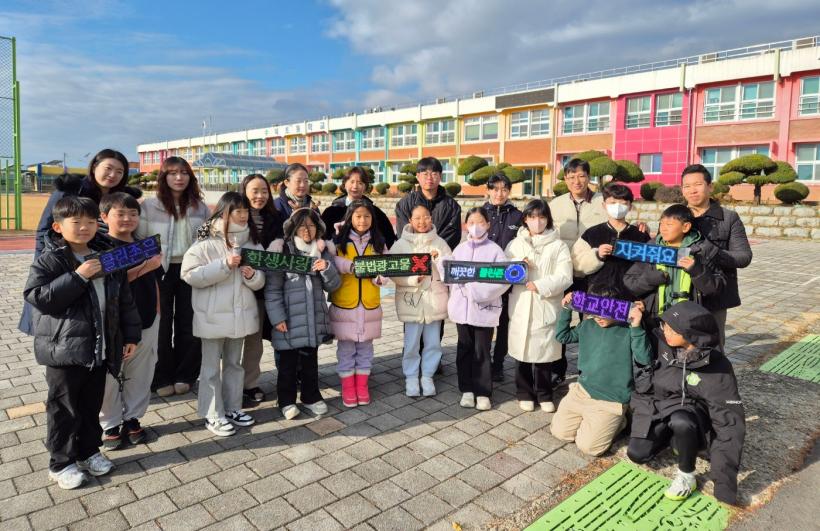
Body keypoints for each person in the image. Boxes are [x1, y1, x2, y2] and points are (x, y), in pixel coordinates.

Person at [23, 196, 141, 489]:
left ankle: (89, 451)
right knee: (64, 408)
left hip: (99, 347)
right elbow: (39, 298)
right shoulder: (50, 259)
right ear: (58, 226)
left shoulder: (107, 255)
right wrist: (78, 276)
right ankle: (61, 463)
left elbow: (123, 299)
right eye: (76, 222)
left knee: (91, 404)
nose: (85, 227)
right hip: (64, 350)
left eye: (90, 221)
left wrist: (130, 335)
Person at [627, 301, 745, 505]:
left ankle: (687, 475)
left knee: (682, 421)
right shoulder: (662, 341)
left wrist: (724, 485)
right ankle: (678, 441)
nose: (665, 331)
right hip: (659, 407)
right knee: (638, 453)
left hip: (690, 412)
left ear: (691, 335)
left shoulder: (718, 367)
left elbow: (729, 422)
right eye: (664, 325)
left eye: (672, 329)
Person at [20, 148, 139, 335]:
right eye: (108, 168)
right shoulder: (70, 190)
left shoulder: (122, 198)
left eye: (119, 171)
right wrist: (50, 258)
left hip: (103, 261)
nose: (113, 175)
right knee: (66, 318)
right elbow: (44, 229)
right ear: (94, 167)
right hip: (67, 259)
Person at [180, 192, 265, 436]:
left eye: (246, 211)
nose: (243, 215)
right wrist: (224, 265)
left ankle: (232, 407)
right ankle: (212, 413)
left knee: (234, 365)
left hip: (240, 317)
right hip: (212, 317)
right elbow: (189, 274)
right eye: (237, 211)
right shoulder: (206, 242)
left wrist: (252, 276)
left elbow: (261, 281)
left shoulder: (252, 243)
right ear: (224, 212)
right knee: (210, 368)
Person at [136, 156, 210, 397]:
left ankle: (185, 374)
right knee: (161, 324)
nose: (179, 178)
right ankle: (160, 376)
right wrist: (150, 263)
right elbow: (140, 239)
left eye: (184, 173)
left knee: (189, 322)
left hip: (191, 270)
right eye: (173, 173)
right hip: (159, 270)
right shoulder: (149, 206)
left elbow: (207, 240)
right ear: (164, 177)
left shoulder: (200, 207)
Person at [551, 288, 652, 456]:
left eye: (604, 313)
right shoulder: (588, 324)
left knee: (589, 447)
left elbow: (644, 359)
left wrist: (636, 326)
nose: (599, 318)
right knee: (560, 433)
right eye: (594, 313)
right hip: (582, 391)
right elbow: (563, 337)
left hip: (611, 400)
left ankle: (620, 421)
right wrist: (567, 309)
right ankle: (593, 421)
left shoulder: (628, 329)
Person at [98, 193, 163, 449]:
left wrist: (158, 310)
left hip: (147, 316)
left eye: (133, 214)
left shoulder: (144, 244)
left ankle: (133, 417)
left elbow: (156, 279)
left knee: (141, 371)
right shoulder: (100, 247)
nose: (127, 219)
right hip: (114, 321)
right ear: (104, 217)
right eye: (120, 214)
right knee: (111, 372)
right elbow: (107, 283)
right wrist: (144, 267)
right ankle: (110, 423)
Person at [265, 208, 341, 420]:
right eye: (302, 226)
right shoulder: (283, 251)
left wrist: (326, 268)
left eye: (311, 225)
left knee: (310, 362)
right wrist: (277, 317)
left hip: (313, 319)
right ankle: (286, 400)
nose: (307, 230)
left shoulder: (322, 251)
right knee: (287, 364)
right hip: (289, 320)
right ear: (293, 228)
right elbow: (272, 289)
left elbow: (333, 286)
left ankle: (311, 396)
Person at [505, 199, 573, 412]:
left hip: (545, 303)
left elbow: (565, 276)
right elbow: (503, 270)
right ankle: (524, 392)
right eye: (532, 217)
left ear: (548, 220)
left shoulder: (558, 246)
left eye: (542, 217)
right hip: (522, 303)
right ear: (525, 219)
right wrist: (518, 265)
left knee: (544, 354)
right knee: (522, 353)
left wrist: (541, 285)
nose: (537, 221)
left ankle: (544, 394)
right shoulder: (515, 244)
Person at [623, 204, 726, 335]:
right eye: (661, 224)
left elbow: (717, 289)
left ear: (686, 227)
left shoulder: (703, 250)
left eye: (669, 224)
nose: (663, 228)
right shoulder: (651, 249)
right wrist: (649, 280)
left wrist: (697, 271)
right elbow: (630, 282)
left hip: (690, 323)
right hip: (655, 322)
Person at [548, 158, 607, 384]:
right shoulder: (556, 204)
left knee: (591, 321)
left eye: (581, 176)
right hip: (564, 274)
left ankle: (588, 371)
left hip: (594, 274)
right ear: (565, 179)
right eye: (571, 177)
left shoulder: (603, 202)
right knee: (560, 320)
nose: (577, 181)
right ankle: (557, 370)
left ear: (589, 177)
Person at [681, 164, 753, 348]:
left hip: (714, 294)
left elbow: (744, 257)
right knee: (679, 345)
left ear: (710, 187)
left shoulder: (728, 218)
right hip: (680, 292)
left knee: (713, 347)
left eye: (698, 184)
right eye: (687, 186)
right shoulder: (675, 216)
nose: (692, 190)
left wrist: (711, 251)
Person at [445, 207, 509, 411]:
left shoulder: (495, 251)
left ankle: (483, 392)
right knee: (464, 349)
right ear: (466, 225)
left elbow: (503, 280)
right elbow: (450, 276)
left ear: (488, 225)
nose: (476, 226)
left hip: (485, 309)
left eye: (480, 222)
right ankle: (466, 389)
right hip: (462, 310)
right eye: (471, 222)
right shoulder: (460, 249)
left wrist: (477, 291)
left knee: (482, 350)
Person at [388, 204, 451, 397]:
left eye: (426, 217)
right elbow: (393, 271)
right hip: (411, 302)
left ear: (431, 218)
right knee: (411, 343)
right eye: (417, 218)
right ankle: (411, 376)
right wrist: (412, 279)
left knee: (433, 343)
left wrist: (438, 260)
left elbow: (450, 270)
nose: (422, 221)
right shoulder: (400, 245)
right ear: (410, 221)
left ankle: (428, 376)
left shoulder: (440, 243)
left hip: (434, 301)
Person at [330, 200, 387, 408]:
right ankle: (348, 387)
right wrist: (351, 266)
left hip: (369, 306)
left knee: (365, 349)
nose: (363, 220)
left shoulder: (378, 242)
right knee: (346, 349)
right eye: (358, 216)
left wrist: (380, 278)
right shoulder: (339, 241)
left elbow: (386, 267)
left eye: (367, 216)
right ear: (350, 218)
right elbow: (331, 261)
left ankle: (362, 386)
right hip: (345, 305)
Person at [239, 173, 284, 406]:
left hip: (260, 288)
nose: (260, 196)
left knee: (254, 341)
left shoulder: (275, 218)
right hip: (234, 287)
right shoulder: (234, 215)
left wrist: (279, 242)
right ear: (244, 192)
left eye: (264, 191)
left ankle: (249, 384)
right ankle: (230, 384)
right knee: (232, 342)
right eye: (254, 191)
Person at [571, 183, 650, 298]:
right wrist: (597, 255)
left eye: (623, 203)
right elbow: (576, 265)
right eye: (612, 203)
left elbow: (649, 267)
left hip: (631, 299)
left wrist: (643, 299)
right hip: (597, 298)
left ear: (630, 206)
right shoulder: (592, 233)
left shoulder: (640, 235)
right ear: (604, 205)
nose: (617, 207)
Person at [483, 172, 523, 382]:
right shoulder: (480, 213)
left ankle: (498, 364)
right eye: (495, 189)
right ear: (488, 190)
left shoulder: (518, 216)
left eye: (504, 189)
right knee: (484, 322)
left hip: (508, 279)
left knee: (504, 324)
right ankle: (483, 362)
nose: (500, 193)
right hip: (485, 278)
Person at [395, 157, 462, 250]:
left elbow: (453, 235)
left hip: (439, 254)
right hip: (411, 253)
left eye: (434, 174)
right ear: (418, 176)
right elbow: (403, 232)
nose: (429, 178)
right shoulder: (405, 203)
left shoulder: (452, 206)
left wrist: (436, 250)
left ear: (440, 176)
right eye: (425, 174)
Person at [321, 166, 396, 247]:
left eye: (360, 183)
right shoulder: (331, 212)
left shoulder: (375, 212)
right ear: (345, 184)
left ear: (365, 186)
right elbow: (322, 237)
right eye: (352, 182)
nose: (355, 186)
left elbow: (389, 238)